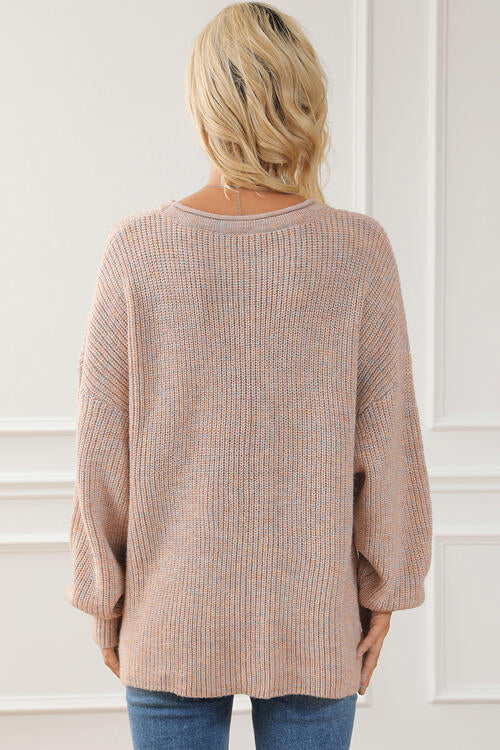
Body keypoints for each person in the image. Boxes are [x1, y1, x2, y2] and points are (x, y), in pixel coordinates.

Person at [65, 3, 433, 749]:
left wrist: (105, 600)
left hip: (170, 612)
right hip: (313, 614)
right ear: (304, 99)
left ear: (204, 104)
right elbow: (387, 443)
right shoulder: (358, 249)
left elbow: (102, 450)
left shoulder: (138, 250)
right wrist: (385, 590)